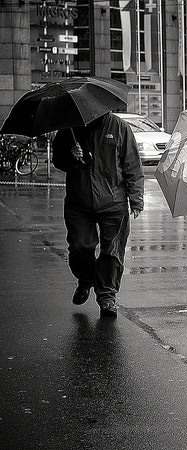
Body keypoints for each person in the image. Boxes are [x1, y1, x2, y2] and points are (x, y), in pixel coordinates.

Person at [52, 112, 144, 317]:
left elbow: (132, 165)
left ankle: (107, 297)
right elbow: (57, 160)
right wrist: (70, 156)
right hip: (79, 201)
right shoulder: (70, 128)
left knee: (112, 251)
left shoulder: (120, 128)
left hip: (113, 202)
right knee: (79, 247)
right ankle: (85, 279)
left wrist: (136, 199)